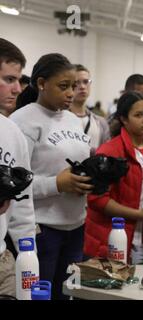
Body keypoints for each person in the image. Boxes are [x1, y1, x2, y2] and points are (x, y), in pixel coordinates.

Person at [11, 53, 92, 300]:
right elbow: (14, 185)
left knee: (68, 294)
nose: (71, 93)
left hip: (76, 225)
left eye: (74, 86)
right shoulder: (23, 121)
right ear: (42, 83)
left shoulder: (73, 120)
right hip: (42, 230)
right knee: (41, 295)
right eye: (63, 86)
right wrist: (57, 184)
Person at [83, 92, 143, 265]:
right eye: (138, 115)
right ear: (124, 119)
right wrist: (139, 215)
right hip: (121, 238)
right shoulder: (110, 151)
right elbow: (96, 200)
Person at [0, 38, 35, 298]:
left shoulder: (12, 132)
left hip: (2, 259)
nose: (17, 89)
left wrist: (28, 254)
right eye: (9, 79)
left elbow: (23, 203)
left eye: (19, 81)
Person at [70, 64, 110, 155]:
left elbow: (105, 153)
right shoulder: (59, 119)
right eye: (77, 83)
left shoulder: (101, 123)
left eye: (85, 82)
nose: (82, 87)